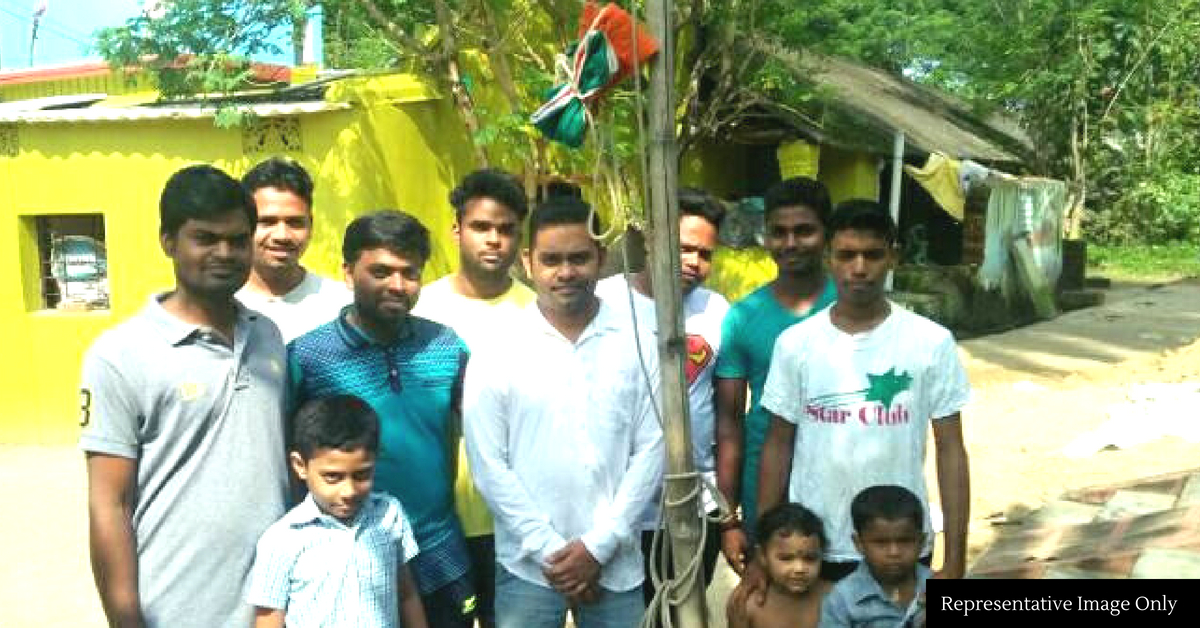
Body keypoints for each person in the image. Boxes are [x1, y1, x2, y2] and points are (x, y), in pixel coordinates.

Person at [80, 164, 290, 628]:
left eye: (237, 240)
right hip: (176, 610)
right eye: (205, 238)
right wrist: (126, 620)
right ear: (168, 241)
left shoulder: (268, 337)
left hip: (274, 607)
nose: (225, 253)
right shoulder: (119, 355)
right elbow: (108, 504)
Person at [464, 196, 664, 628]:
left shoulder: (637, 339)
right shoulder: (499, 344)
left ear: (601, 258)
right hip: (526, 566)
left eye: (579, 258)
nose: (566, 272)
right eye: (551, 259)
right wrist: (553, 554)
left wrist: (597, 548)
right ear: (527, 261)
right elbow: (488, 465)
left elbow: (653, 450)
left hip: (615, 564)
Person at [757, 200, 971, 582]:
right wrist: (765, 549)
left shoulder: (930, 342)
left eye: (872, 255)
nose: (859, 268)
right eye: (847, 255)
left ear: (894, 257)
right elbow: (777, 445)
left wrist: (955, 558)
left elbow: (951, 449)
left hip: (900, 546)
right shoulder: (796, 345)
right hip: (813, 549)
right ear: (829, 258)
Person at [288, 210, 475, 628]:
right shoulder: (308, 357)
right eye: (381, 271)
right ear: (348, 272)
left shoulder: (446, 346)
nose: (397, 285)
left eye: (410, 272)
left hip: (440, 552)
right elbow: (289, 460)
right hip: (351, 560)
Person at [412, 169, 534, 628]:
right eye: (482, 227)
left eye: (505, 230)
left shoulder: (539, 313)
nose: (494, 240)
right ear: (457, 230)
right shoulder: (421, 309)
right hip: (440, 520)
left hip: (516, 520)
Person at [594, 187, 728, 601]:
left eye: (705, 254)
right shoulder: (603, 301)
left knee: (682, 610)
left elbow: (728, 415)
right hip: (617, 508)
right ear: (652, 239)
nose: (693, 262)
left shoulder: (718, 311)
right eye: (684, 248)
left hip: (692, 504)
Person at [714, 177, 837, 573]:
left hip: (840, 472)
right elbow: (729, 423)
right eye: (779, 232)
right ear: (765, 236)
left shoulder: (852, 306)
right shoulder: (743, 317)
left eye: (804, 231)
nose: (790, 243)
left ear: (826, 234)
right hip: (765, 482)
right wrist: (729, 518)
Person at [246, 395, 428, 628]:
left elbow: (406, 594)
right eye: (333, 477)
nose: (349, 491)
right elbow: (269, 620)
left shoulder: (389, 515)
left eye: (362, 475)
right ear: (300, 466)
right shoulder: (281, 541)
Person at [237, 156, 350, 342]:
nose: (282, 235)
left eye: (295, 222)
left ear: (311, 226)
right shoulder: (218, 307)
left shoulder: (341, 306)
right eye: (267, 222)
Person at [819, 486, 930, 628]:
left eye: (905, 541)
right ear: (859, 543)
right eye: (881, 543)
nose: (894, 552)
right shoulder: (843, 599)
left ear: (921, 542)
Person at [726, 503, 829, 628]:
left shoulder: (834, 598)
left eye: (810, 558)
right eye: (786, 558)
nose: (799, 568)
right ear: (762, 556)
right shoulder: (747, 606)